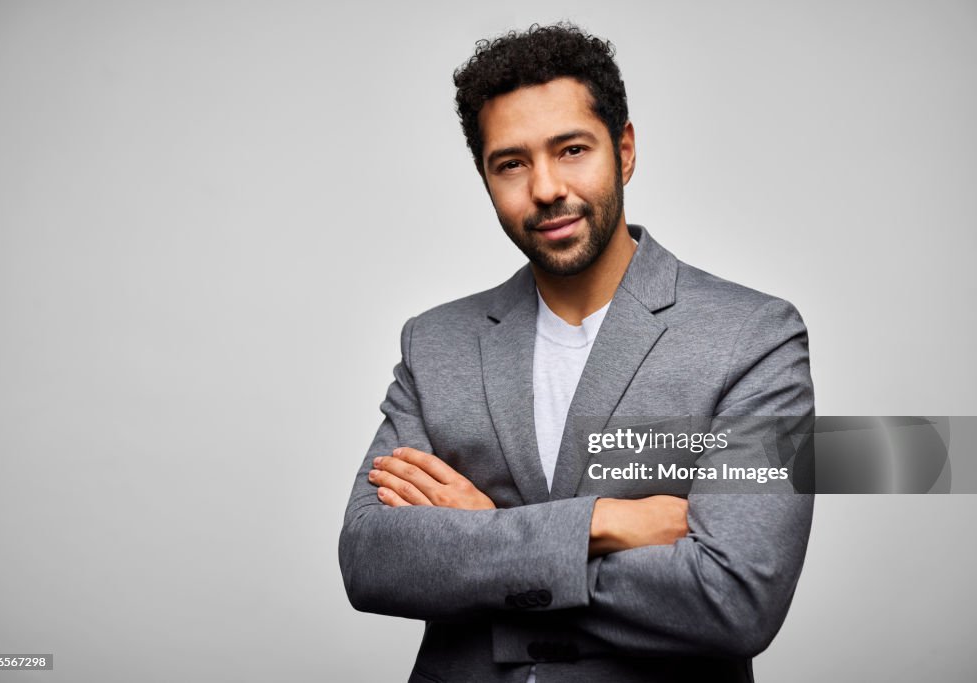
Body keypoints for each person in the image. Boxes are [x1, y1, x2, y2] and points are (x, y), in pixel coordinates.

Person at [338, 23, 814, 683]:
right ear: (484, 176)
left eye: (571, 150)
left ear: (624, 150)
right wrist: (604, 522)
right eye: (511, 163)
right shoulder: (435, 342)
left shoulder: (754, 336)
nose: (545, 188)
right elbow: (370, 559)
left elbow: (737, 599)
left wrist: (485, 531)